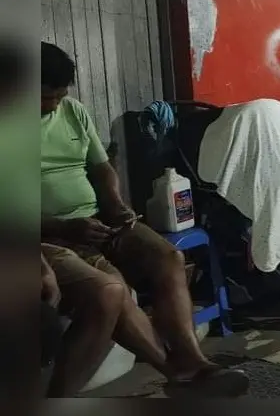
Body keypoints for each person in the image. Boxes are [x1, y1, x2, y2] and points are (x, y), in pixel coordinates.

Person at [39, 42, 249, 398]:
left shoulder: (73, 111)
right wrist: (63, 227)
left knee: (167, 257)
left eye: (60, 95)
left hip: (96, 221)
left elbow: (101, 167)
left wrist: (116, 206)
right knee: (112, 290)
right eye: (47, 97)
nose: (55, 104)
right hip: (48, 235)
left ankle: (190, 361)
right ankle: (178, 374)